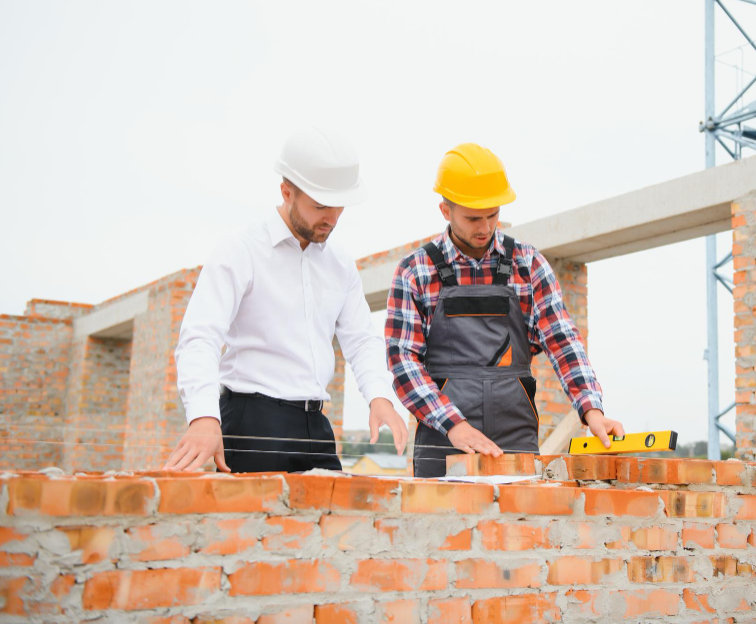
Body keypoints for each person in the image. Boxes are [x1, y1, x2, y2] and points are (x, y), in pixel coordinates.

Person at [164, 127, 407, 473]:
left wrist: (379, 396)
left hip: (315, 426)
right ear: (286, 191)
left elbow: (362, 340)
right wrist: (203, 417)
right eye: (321, 205)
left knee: (332, 525)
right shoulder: (241, 250)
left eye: (340, 206)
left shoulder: (340, 264)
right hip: (251, 424)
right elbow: (199, 338)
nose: (333, 218)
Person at [385, 143, 624, 477]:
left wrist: (591, 410)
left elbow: (563, 341)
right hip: (444, 437)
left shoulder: (526, 263)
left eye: (493, 215)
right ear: (445, 210)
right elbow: (402, 359)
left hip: (516, 438)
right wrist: (453, 424)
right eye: (472, 218)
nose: (485, 228)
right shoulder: (416, 270)